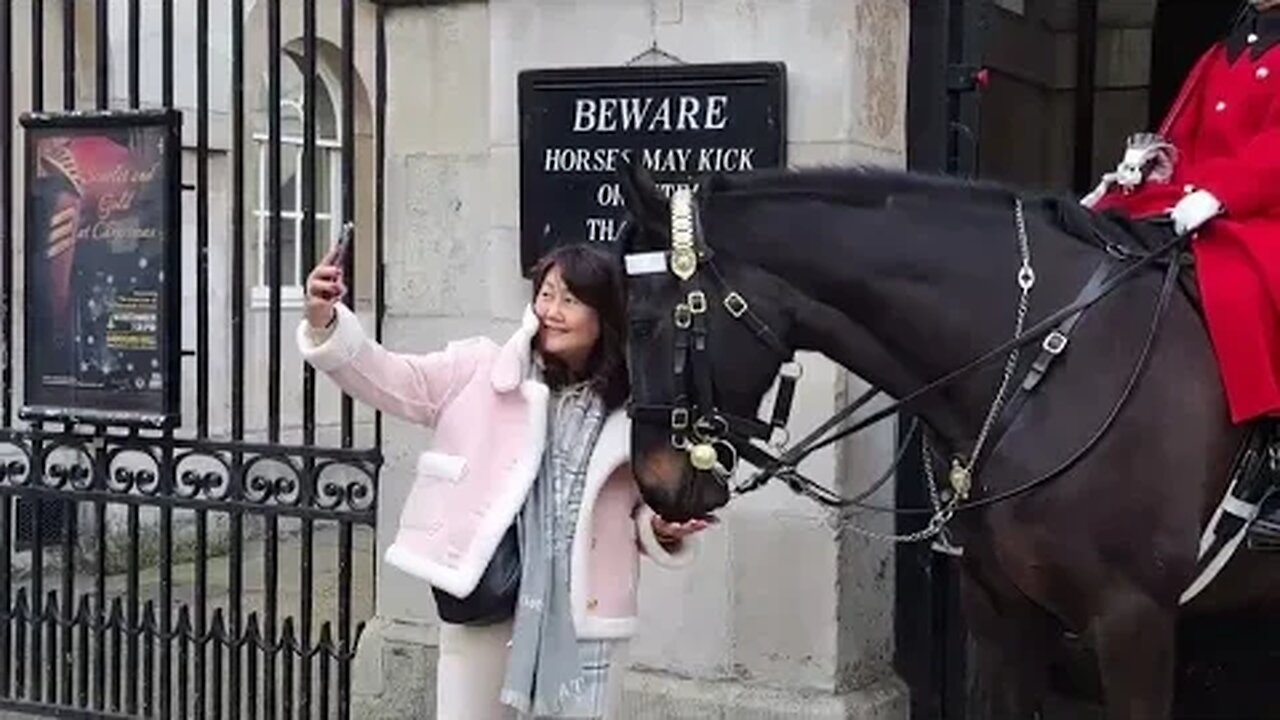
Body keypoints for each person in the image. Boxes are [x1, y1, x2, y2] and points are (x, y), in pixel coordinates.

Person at [296, 242, 710, 719]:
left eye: (570, 301)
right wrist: (325, 321)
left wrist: (659, 530)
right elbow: (388, 377)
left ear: (606, 317)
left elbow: (634, 512)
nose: (551, 311)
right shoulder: (481, 371)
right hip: (489, 600)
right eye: (546, 294)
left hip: (589, 617)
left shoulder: (634, 411)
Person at [1084, 0, 1280, 425]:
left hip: (1262, 211)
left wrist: (1222, 194)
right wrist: (1159, 168)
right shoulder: (1218, 55)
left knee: (1235, 287)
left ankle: (1261, 436)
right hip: (1193, 201)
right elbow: (1182, 133)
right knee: (1106, 231)